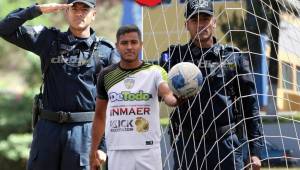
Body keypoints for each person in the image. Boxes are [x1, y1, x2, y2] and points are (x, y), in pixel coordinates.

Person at [0, 0, 120, 169]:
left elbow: (113, 101)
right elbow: (4, 28)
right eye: (74, 8)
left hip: (84, 133)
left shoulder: (106, 52)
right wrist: (37, 9)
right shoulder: (48, 40)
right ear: (66, 12)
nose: (79, 13)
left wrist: (103, 146)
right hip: (48, 130)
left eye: (84, 9)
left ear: (93, 14)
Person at [159, 0, 263, 170]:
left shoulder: (233, 58)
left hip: (225, 146)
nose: (201, 25)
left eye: (205, 19)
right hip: (189, 146)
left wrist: (255, 151)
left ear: (214, 22)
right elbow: (156, 89)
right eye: (195, 20)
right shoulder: (174, 58)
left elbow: (250, 106)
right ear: (186, 24)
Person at [90, 25, 179, 170]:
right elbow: (99, 116)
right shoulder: (106, 75)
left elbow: (168, 95)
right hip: (118, 150)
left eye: (134, 42)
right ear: (117, 46)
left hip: (148, 150)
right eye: (124, 43)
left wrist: (176, 100)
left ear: (141, 45)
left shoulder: (155, 72)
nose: (129, 47)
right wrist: (93, 152)